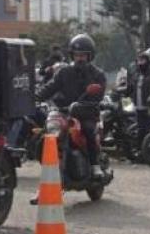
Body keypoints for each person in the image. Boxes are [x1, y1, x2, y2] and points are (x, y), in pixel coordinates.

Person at [36, 33, 107, 173]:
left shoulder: (97, 74)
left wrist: (88, 103)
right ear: (72, 55)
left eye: (83, 55)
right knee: (47, 131)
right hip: (65, 112)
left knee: (88, 130)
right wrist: (36, 97)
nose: (80, 58)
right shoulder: (64, 72)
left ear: (89, 56)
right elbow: (50, 87)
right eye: (77, 55)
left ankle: (94, 165)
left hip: (86, 113)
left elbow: (99, 94)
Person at [126, 48, 150, 154]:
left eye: (143, 60)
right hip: (138, 107)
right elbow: (130, 89)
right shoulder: (136, 75)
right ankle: (140, 153)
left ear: (147, 61)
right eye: (139, 60)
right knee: (141, 131)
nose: (140, 63)